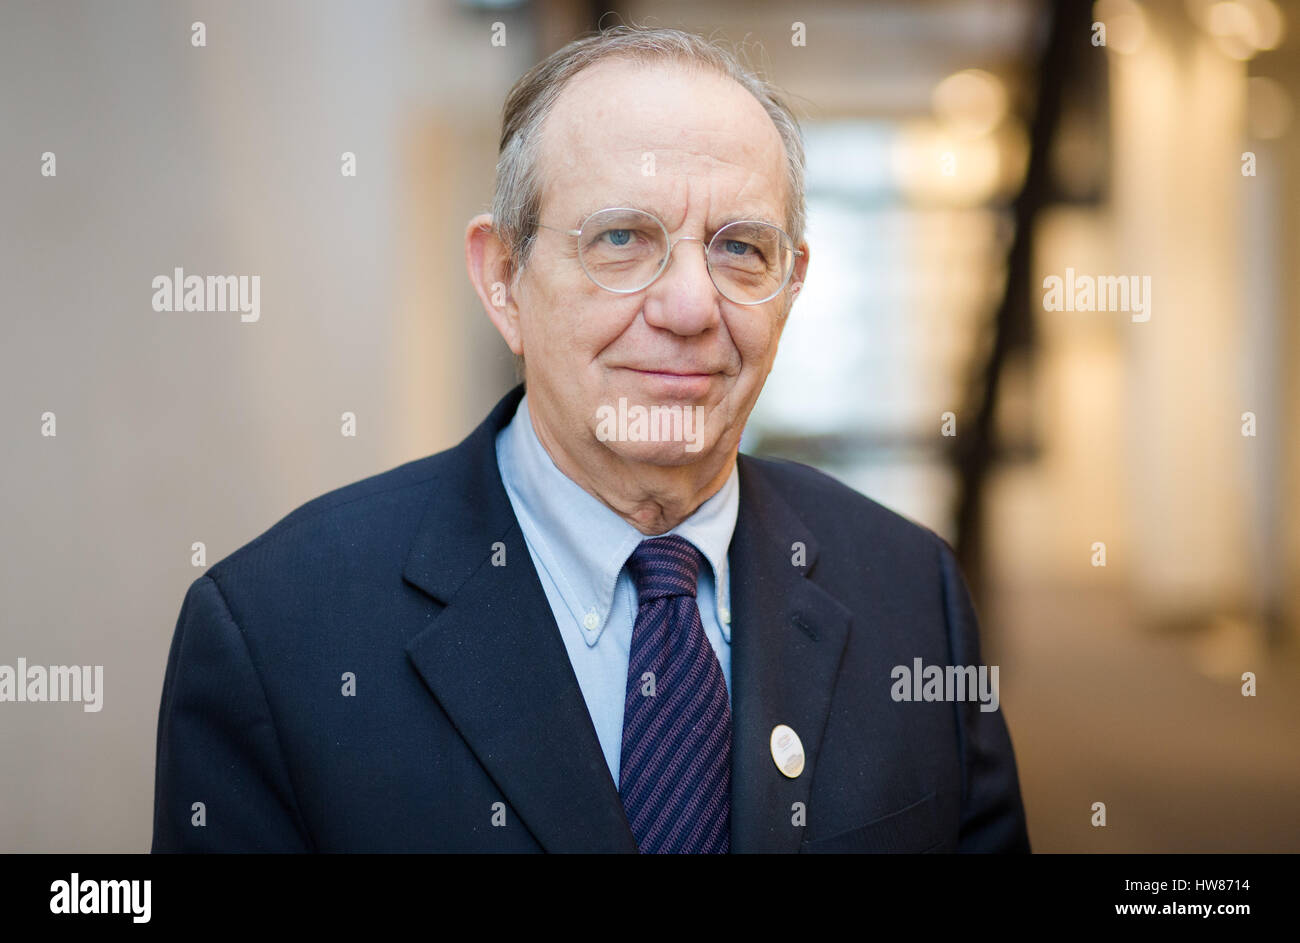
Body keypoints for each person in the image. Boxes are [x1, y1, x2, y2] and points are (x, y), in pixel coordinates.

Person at [152, 25, 1030, 853]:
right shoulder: (276, 633)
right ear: (503, 278)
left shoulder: (913, 592)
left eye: (740, 251)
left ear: (792, 284)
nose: (690, 308)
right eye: (621, 238)